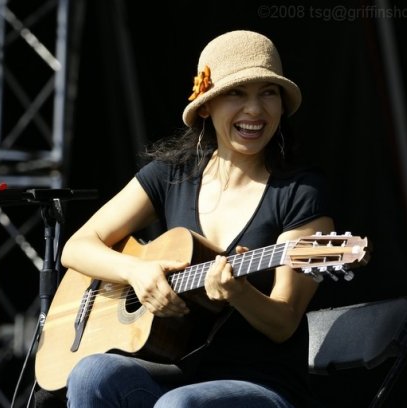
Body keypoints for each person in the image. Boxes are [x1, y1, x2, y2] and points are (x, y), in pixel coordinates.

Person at [61, 30, 334, 408]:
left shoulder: (301, 191)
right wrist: (136, 273)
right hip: (174, 371)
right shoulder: (171, 174)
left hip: (261, 386)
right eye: (237, 93)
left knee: (178, 405)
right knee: (92, 374)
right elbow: (77, 247)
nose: (255, 110)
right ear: (206, 105)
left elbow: (284, 321)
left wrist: (240, 293)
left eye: (267, 92)